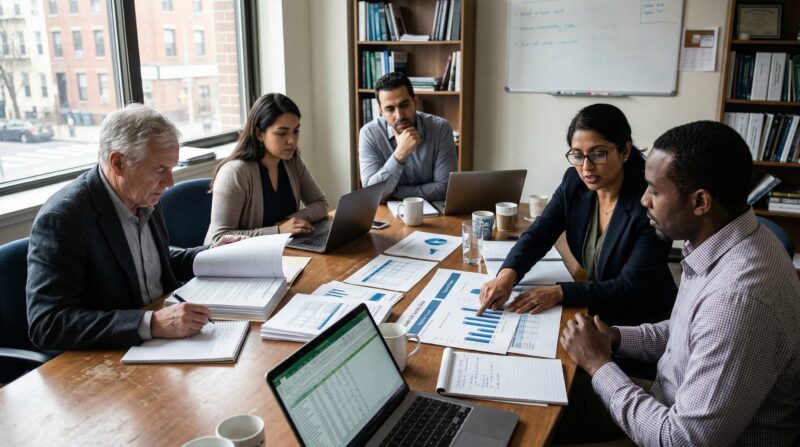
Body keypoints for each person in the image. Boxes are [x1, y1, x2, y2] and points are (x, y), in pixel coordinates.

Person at [559, 121, 800, 446]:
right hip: (668, 403)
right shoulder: (719, 243)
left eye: (655, 191)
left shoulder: (738, 300)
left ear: (700, 202)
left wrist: (598, 363)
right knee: (551, 393)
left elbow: (682, 440)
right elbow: (684, 333)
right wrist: (615, 338)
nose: (644, 200)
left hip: (675, 433)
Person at [27, 104, 241, 352]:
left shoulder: (144, 194)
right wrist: (151, 323)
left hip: (168, 338)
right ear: (118, 163)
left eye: (171, 169)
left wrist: (209, 254)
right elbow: (48, 324)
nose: (169, 183)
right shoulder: (63, 219)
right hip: (112, 356)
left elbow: (149, 262)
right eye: (160, 170)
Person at [479, 104, 676, 328]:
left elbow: (630, 288)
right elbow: (539, 234)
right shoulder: (574, 182)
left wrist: (560, 292)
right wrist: (507, 275)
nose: (586, 167)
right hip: (598, 308)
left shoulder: (650, 202)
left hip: (643, 325)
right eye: (577, 155)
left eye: (598, 154)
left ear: (625, 151)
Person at [205, 93, 328, 244]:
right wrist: (277, 231)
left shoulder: (292, 162)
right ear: (259, 134)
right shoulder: (235, 172)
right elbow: (219, 238)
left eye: (296, 131)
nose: (292, 140)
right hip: (241, 261)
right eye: (282, 133)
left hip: (282, 252)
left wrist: (288, 222)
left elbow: (320, 203)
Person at [359, 72, 458, 202]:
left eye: (404, 105)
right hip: (386, 215)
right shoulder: (369, 134)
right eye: (390, 109)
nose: (399, 115)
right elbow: (370, 193)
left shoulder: (440, 129)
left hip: (434, 214)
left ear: (415, 101)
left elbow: (445, 188)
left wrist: (396, 193)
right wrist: (400, 153)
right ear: (380, 111)